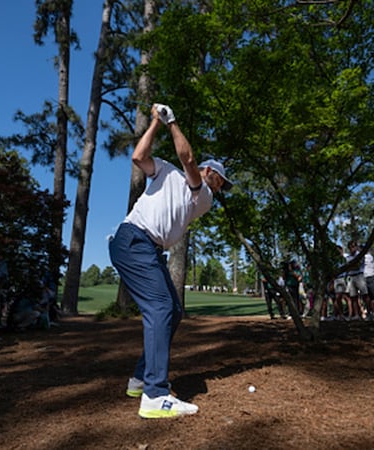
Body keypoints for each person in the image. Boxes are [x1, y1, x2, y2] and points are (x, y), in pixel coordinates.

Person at [109, 103, 232, 419]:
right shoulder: (168, 170)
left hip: (148, 248)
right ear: (210, 171)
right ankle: (155, 395)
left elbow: (187, 159)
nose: (221, 187)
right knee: (161, 308)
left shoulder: (202, 196)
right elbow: (139, 157)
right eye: (221, 180)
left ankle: (140, 378)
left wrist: (172, 121)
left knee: (172, 311)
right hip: (134, 239)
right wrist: (156, 123)